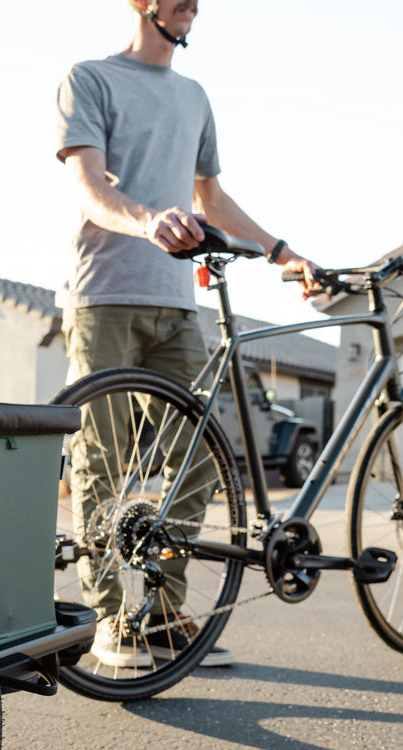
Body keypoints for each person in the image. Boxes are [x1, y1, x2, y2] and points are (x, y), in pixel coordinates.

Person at [56, 0, 318, 670]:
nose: (191, 4)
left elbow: (213, 200)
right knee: (101, 462)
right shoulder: (90, 78)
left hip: (176, 305)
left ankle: (163, 612)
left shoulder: (194, 96)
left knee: (199, 459)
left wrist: (283, 252)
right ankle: (109, 620)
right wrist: (147, 222)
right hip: (106, 296)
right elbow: (88, 189)